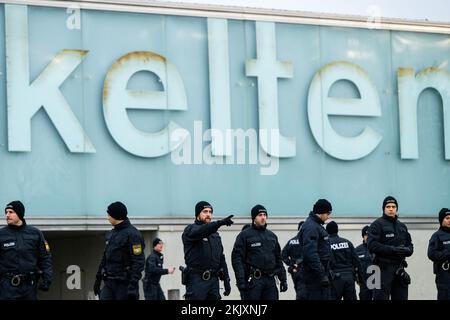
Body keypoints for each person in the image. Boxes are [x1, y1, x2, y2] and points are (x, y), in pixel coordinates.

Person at [232, 204, 287, 300]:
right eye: (260, 215)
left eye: (265, 215)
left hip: (270, 281)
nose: (263, 217)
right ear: (254, 218)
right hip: (253, 282)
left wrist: (283, 279)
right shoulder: (244, 235)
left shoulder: (272, 236)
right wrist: (241, 282)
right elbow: (237, 259)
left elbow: (278, 259)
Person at [0, 201, 52, 300]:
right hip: (7, 288)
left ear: (19, 213)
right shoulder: (1, 235)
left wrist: (47, 279)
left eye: (11, 212)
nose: (7, 215)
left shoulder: (35, 233)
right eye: (6, 212)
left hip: (29, 288)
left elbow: (45, 257)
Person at [181, 201, 233, 300]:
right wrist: (219, 223)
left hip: (213, 281)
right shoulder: (190, 230)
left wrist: (226, 279)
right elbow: (203, 230)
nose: (208, 214)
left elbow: (221, 258)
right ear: (197, 215)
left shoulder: (215, 235)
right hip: (197, 280)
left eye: (210, 212)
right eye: (205, 211)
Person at [94, 201, 145, 300]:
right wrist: (98, 279)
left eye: (109, 215)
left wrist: (133, 286)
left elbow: (138, 262)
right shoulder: (111, 234)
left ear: (115, 216)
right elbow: (105, 258)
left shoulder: (133, 235)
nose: (107, 217)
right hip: (109, 283)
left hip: (125, 284)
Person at [367, 196, 413, 300]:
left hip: (399, 269)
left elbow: (410, 245)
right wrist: (393, 249)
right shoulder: (377, 225)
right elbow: (372, 245)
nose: (391, 209)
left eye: (393, 206)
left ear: (397, 208)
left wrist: (407, 250)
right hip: (382, 270)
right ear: (384, 208)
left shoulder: (402, 226)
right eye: (388, 207)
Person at [299, 199, 332, 300]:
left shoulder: (316, 226)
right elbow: (310, 253)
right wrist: (321, 274)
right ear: (321, 212)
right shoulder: (312, 227)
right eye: (328, 213)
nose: (328, 216)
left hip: (318, 276)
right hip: (314, 278)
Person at [326, 221, 363, 300]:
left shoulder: (326, 244)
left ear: (327, 231)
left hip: (335, 279)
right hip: (349, 277)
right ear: (337, 230)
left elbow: (325, 262)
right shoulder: (347, 242)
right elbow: (357, 261)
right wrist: (360, 278)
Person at [427, 208, 450, 300]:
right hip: (444, 275)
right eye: (447, 218)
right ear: (441, 220)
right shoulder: (436, 236)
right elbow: (431, 254)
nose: (449, 220)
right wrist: (447, 253)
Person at [282, 221, 305, 300]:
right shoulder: (309, 241)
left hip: (296, 271)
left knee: (299, 291)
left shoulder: (292, 241)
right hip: (306, 271)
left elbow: (283, 255)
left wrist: (292, 264)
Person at [355, 225, 374, 300]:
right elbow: (354, 266)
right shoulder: (357, 250)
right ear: (363, 236)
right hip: (364, 283)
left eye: (370, 235)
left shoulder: (377, 248)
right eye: (366, 235)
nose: (368, 237)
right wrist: (357, 279)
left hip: (377, 282)